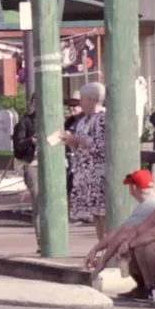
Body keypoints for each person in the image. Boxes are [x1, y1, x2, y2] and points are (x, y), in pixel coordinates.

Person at [46, 80, 110, 237]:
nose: (80, 102)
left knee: (103, 213)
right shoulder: (82, 120)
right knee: (95, 213)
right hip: (85, 171)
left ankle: (107, 246)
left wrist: (78, 140)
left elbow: (101, 146)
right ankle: (101, 245)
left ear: (92, 99)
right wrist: (71, 141)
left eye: (82, 98)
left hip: (98, 172)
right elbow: (79, 146)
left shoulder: (102, 118)